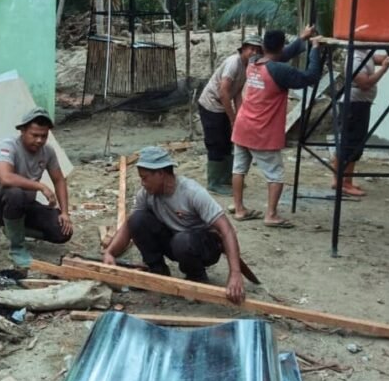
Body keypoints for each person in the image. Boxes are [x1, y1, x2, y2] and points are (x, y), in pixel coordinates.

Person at [102, 146, 245, 304]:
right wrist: (110, 253)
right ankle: (158, 271)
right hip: (176, 242)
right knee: (137, 219)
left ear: (160, 174)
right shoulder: (146, 194)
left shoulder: (192, 192)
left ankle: (197, 276)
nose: (143, 183)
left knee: (182, 240)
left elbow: (227, 230)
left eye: (145, 178)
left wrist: (235, 273)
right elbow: (130, 226)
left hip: (203, 247)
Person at [231, 25, 321, 228]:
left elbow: (280, 55)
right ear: (280, 46)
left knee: (239, 169)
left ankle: (239, 209)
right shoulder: (280, 70)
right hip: (262, 131)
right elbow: (311, 77)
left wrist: (302, 39)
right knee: (276, 174)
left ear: (262, 45)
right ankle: (271, 214)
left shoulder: (254, 61)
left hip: (243, 125)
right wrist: (314, 49)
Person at [0, 107, 73, 267]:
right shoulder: (8, 146)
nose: (39, 140)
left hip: (25, 205)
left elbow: (59, 180)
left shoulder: (48, 151)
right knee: (15, 193)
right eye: (34, 135)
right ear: (22, 130)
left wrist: (65, 212)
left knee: (63, 232)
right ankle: (17, 248)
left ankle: (12, 230)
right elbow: (5, 178)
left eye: (43, 136)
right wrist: (40, 186)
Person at [197, 36, 265, 195]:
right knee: (216, 142)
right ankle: (214, 182)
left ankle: (226, 177)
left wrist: (240, 115)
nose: (254, 52)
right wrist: (233, 118)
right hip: (211, 105)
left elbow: (237, 93)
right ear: (244, 49)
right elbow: (224, 92)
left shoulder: (247, 66)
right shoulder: (233, 63)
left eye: (257, 50)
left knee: (228, 141)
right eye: (251, 49)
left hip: (222, 105)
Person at [330, 49, 389, 196]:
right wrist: (385, 69)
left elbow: (380, 58)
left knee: (350, 143)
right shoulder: (355, 58)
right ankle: (344, 183)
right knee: (351, 144)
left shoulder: (364, 52)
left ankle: (340, 181)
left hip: (359, 104)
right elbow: (365, 84)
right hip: (354, 105)